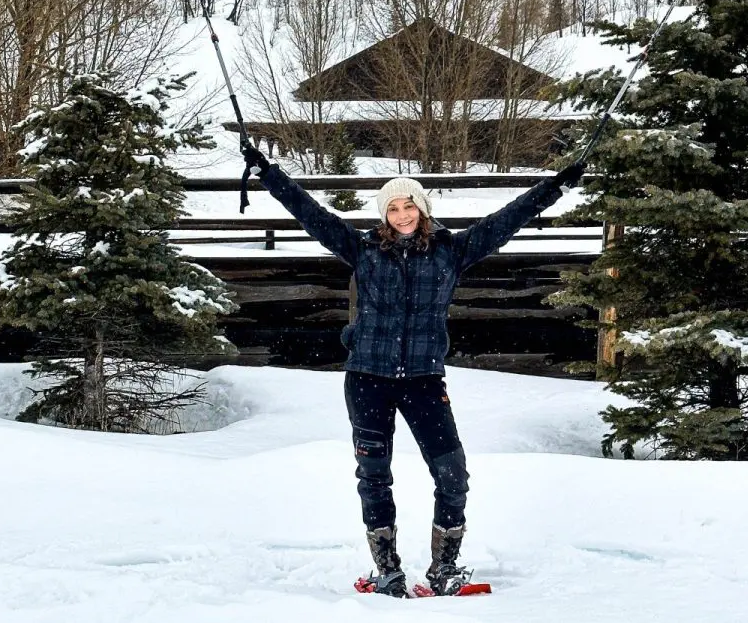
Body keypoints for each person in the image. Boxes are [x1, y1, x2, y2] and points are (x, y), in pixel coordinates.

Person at [242, 146, 584, 597]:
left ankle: (444, 569)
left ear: (423, 209)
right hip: (367, 378)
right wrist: (268, 173)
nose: (402, 215)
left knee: (452, 472)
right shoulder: (361, 249)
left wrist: (556, 185)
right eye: (394, 208)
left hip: (423, 379)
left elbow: (508, 219)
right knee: (374, 474)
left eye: (410, 206)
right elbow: (308, 211)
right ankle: (387, 569)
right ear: (384, 214)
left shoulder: (451, 251)